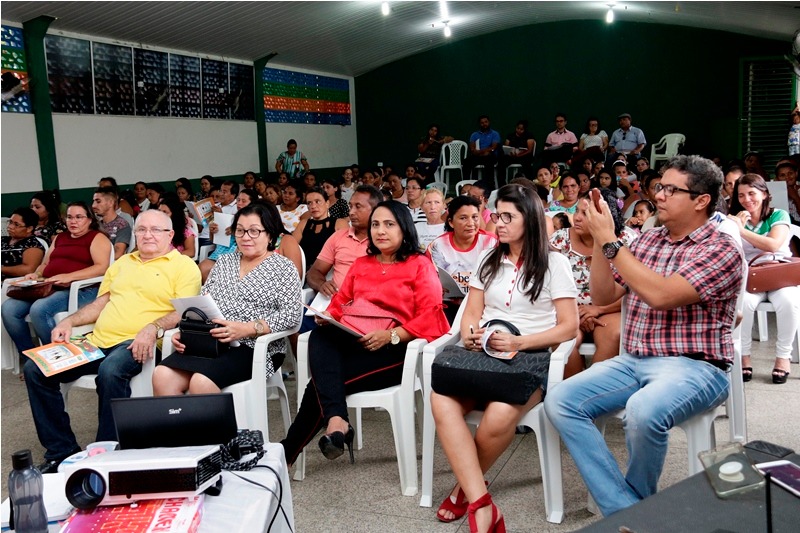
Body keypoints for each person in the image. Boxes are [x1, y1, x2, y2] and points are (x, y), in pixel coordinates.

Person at [545, 155, 744, 517]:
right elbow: (605, 296)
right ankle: (630, 513)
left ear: (701, 200)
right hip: (634, 360)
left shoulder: (721, 248)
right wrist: (600, 240)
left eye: (671, 189)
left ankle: (629, 515)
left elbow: (663, 295)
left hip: (697, 367)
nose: (659, 195)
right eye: (659, 187)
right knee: (560, 401)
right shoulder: (648, 241)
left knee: (642, 410)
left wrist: (610, 241)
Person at [431, 184, 578, 530]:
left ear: (530, 220)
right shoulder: (490, 258)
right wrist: (469, 333)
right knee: (441, 399)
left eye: (508, 217)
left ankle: (463, 491)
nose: (498, 223)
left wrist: (521, 342)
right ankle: (482, 502)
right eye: (497, 215)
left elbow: (569, 327)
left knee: (497, 418)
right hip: (483, 356)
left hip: (527, 360)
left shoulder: (554, 263)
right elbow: (472, 311)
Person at [23, 210, 201, 471]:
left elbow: (182, 312)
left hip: (139, 343)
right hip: (95, 342)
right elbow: (101, 302)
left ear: (170, 234)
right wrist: (69, 321)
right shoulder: (122, 264)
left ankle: (107, 453)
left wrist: (152, 328)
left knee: (111, 370)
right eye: (141, 230)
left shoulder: (183, 266)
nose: (147, 235)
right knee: (35, 368)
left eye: (155, 230)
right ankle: (60, 449)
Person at [280, 200, 450, 466]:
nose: (380, 231)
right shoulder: (362, 264)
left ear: (404, 228)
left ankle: (289, 451)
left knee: (320, 385)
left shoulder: (419, 264)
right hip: (358, 340)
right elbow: (340, 304)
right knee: (318, 335)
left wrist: (392, 336)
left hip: (399, 348)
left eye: (389, 224)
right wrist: (330, 319)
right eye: (375, 224)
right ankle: (335, 422)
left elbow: (432, 315)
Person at [153, 203, 302, 394]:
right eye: (240, 231)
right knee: (162, 374)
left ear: (270, 234)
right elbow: (203, 302)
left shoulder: (283, 268)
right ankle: (181, 424)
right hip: (212, 342)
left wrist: (247, 329)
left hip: (255, 347)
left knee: (201, 382)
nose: (246, 237)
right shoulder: (224, 262)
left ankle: (219, 425)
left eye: (254, 231)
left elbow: (292, 315)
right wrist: (189, 333)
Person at [2, 202, 112, 375]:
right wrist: (36, 275)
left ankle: (57, 360)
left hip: (81, 289)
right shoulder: (60, 238)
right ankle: (32, 358)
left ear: (90, 219)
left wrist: (70, 276)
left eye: (79, 217)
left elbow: (101, 267)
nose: (73, 221)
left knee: (39, 309)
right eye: (69, 217)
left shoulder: (97, 237)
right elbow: (45, 263)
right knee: (8, 308)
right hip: (48, 286)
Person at [550, 189, 638, 377]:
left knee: (612, 333)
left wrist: (598, 310)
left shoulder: (626, 241)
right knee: (565, 339)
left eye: (586, 213)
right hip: (567, 310)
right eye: (577, 212)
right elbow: (549, 282)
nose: (578, 218)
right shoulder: (560, 239)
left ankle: (592, 389)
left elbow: (634, 288)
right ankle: (569, 389)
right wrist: (574, 311)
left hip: (610, 309)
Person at [728, 173, 799, 384]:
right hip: (751, 277)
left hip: (779, 274)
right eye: (741, 195)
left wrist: (741, 231)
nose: (747, 199)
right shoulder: (734, 219)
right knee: (745, 304)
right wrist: (734, 229)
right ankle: (744, 357)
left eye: (752, 193)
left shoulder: (779, 215)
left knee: (788, 302)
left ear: (765, 194)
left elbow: (773, 245)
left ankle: (783, 357)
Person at [427, 195, 498, 323]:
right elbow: (427, 280)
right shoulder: (437, 246)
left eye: (475, 217)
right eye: (463, 218)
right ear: (451, 222)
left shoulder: (491, 242)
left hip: (485, 306)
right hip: (449, 307)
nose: (471, 223)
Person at [306, 185, 382, 303]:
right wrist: (322, 285)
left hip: (368, 305)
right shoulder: (338, 236)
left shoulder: (384, 240)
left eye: (358, 206)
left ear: (376, 210)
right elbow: (314, 272)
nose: (351, 212)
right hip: (333, 303)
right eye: (350, 206)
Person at [295, 186, 349, 272]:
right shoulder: (303, 223)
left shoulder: (339, 223)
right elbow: (292, 247)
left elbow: (346, 253)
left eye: (317, 201)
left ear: (327, 203)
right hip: (302, 270)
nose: (313, 206)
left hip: (330, 272)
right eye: (309, 203)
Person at [2, 207, 46, 280]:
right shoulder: (3, 240)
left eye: (16, 225)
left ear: (29, 229)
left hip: (12, 283)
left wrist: (1, 269)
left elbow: (28, 269)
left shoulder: (32, 245)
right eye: (10, 222)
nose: (10, 227)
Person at [92, 187, 132, 260]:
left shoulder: (122, 225)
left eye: (98, 201)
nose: (93, 205)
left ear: (111, 203)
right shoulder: (95, 225)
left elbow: (118, 254)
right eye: (93, 201)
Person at [158, 192, 196, 259]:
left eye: (165, 212)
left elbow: (191, 252)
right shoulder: (154, 229)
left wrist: (169, 256)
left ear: (174, 214)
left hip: (175, 262)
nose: (161, 215)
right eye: (159, 211)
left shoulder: (185, 231)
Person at [463, 115, 501, 181]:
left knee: (489, 161)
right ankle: (466, 184)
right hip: (478, 156)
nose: (484, 124)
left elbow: (493, 147)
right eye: (482, 123)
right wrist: (479, 152)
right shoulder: (474, 135)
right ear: (479, 124)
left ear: (489, 122)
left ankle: (490, 185)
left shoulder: (495, 134)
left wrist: (482, 151)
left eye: (486, 122)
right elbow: (472, 148)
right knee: (466, 162)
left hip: (490, 155)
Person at [415, 187, 447, 252]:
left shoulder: (449, 228)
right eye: (428, 202)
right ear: (421, 207)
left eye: (437, 202)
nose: (432, 207)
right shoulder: (416, 227)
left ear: (443, 205)